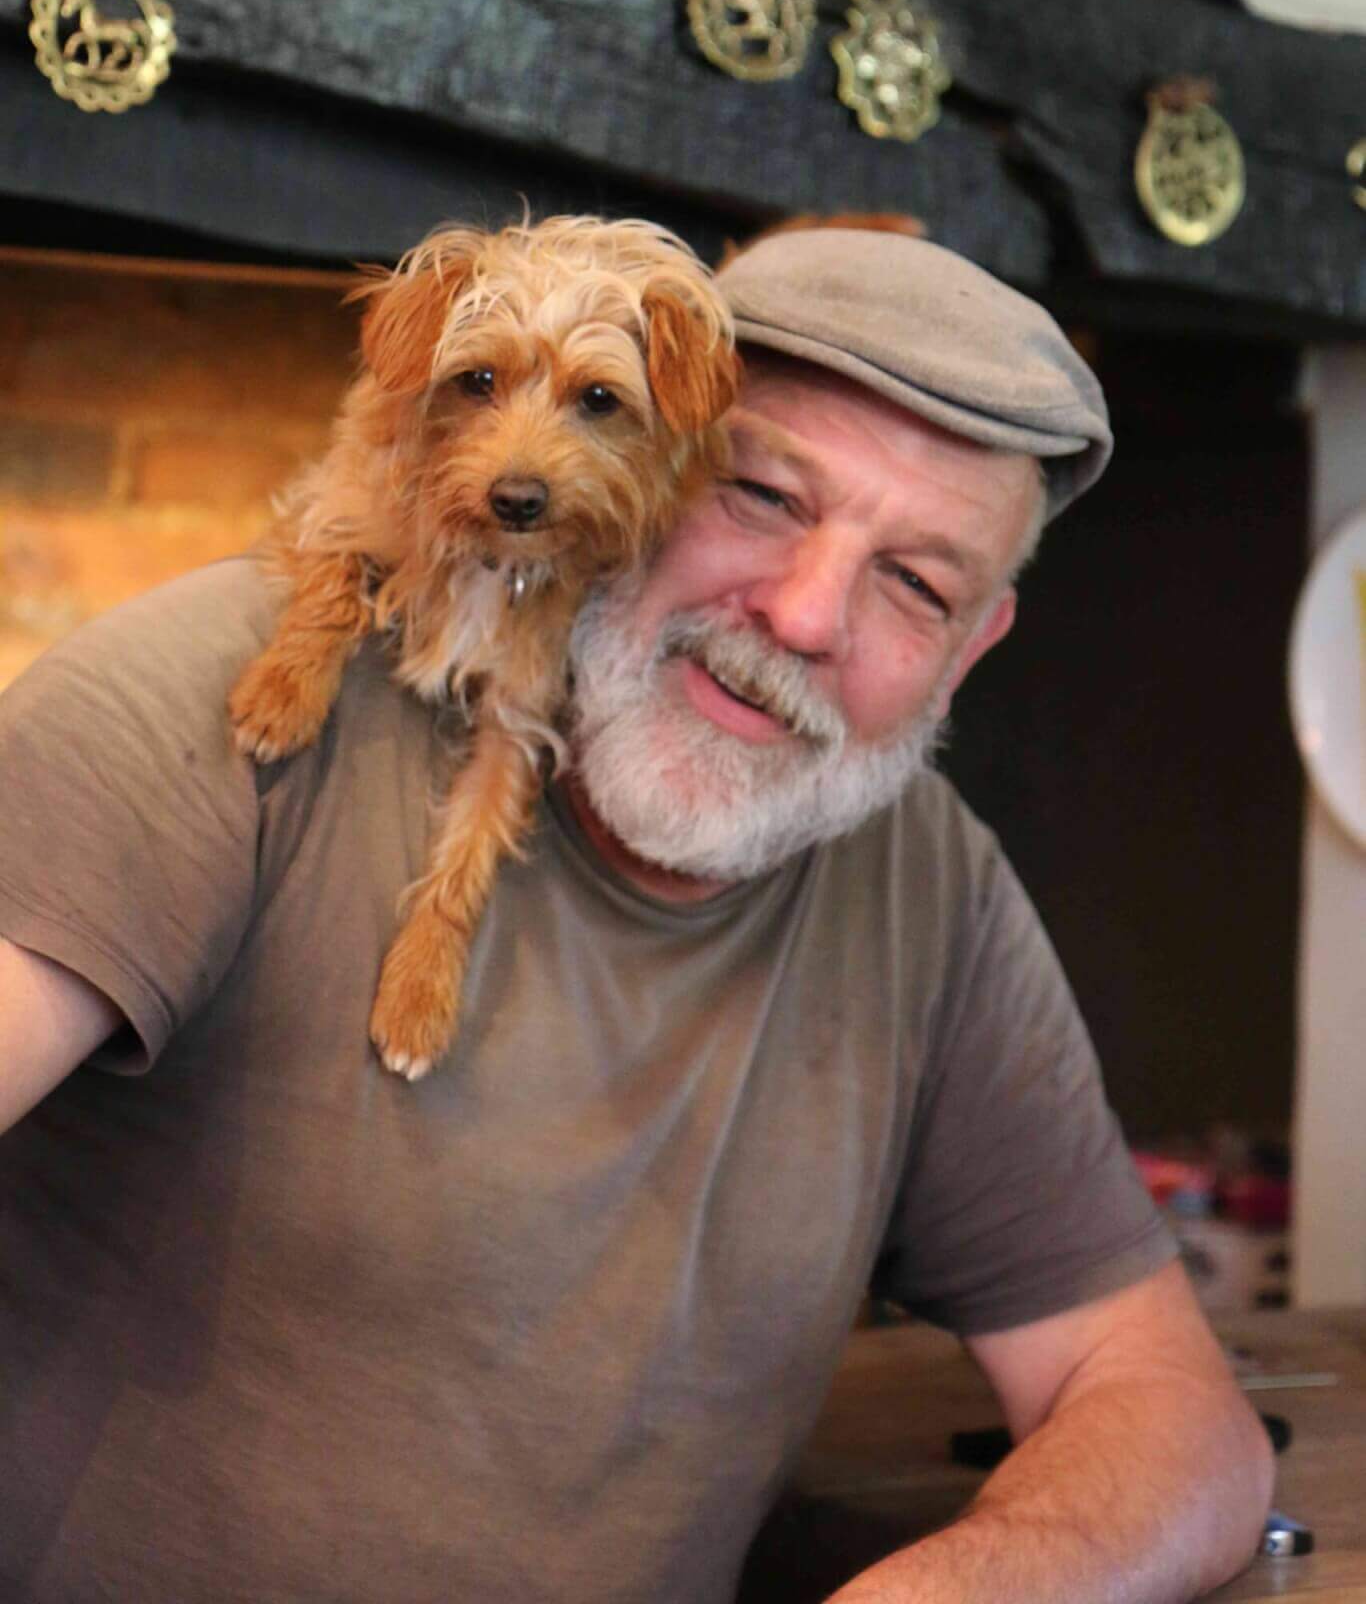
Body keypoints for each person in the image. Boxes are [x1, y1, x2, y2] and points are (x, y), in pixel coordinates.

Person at [0, 221, 1271, 1603]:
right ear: (650, 458)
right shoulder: (216, 704)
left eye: (916, 584)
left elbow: (1164, 1406)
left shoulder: (928, 888)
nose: (804, 615)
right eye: (761, 496)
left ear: (969, 653)